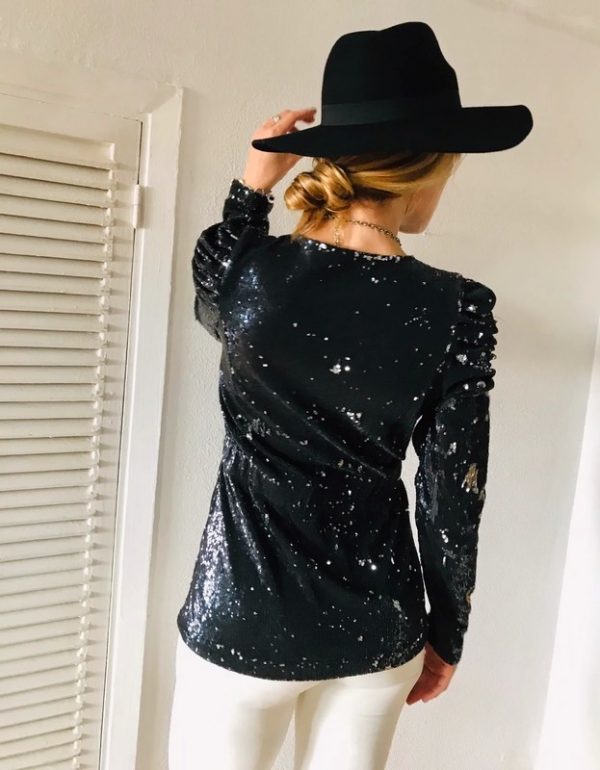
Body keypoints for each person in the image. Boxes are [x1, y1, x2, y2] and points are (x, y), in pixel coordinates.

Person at [169, 21, 533, 770]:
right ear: (426, 169)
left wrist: (251, 188)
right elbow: (453, 491)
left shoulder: (249, 275)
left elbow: (211, 290)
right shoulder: (458, 307)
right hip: (379, 630)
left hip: (243, 616)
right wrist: (447, 632)